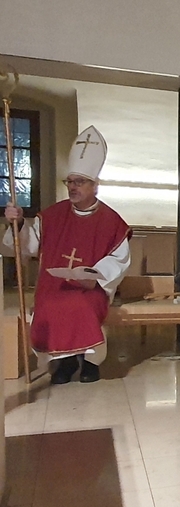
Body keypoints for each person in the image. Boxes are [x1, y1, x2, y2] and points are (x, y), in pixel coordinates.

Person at [3, 126, 131, 384]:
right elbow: (27, 245)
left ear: (95, 186)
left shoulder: (112, 221)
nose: (73, 187)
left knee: (81, 305)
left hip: (90, 288)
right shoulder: (52, 216)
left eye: (79, 182)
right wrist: (18, 224)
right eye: (70, 181)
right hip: (55, 285)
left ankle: (90, 362)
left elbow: (119, 259)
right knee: (50, 304)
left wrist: (95, 275)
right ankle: (64, 361)